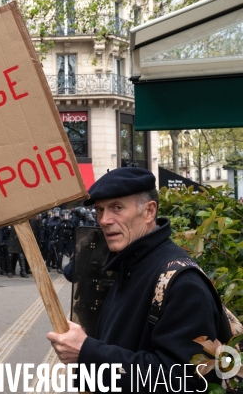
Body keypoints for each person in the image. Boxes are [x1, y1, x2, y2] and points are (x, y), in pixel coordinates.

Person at [47, 167, 224, 391]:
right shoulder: (129, 263)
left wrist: (87, 352)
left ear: (150, 211)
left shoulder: (182, 283)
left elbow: (184, 380)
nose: (104, 220)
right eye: (100, 210)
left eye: (117, 208)